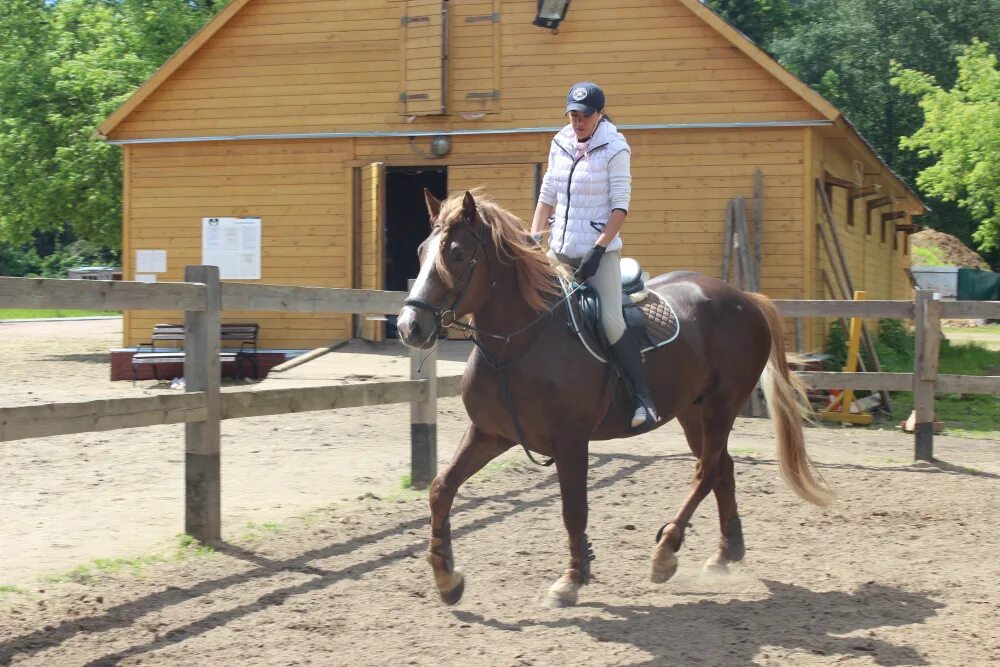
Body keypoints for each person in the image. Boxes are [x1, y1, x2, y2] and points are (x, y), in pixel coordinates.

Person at [529, 81, 658, 433]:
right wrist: (534, 235)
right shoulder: (559, 143)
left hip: (599, 254)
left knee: (611, 321)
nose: (577, 122)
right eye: (573, 115)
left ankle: (642, 398)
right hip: (560, 250)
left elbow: (620, 206)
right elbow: (548, 194)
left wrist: (599, 250)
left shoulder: (616, 148)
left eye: (584, 115)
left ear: (599, 114)